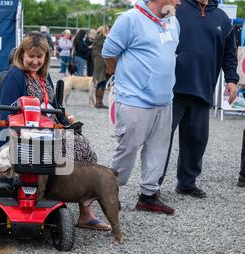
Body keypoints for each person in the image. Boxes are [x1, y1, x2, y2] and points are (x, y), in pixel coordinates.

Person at [0, 32, 111, 231]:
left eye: (39, 57)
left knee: (85, 151)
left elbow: (55, 105)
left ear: (45, 58)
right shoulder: (14, 76)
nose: (35, 61)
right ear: (21, 54)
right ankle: (46, 196)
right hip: (24, 133)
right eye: (30, 56)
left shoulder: (44, 76)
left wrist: (68, 120)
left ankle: (85, 213)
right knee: (62, 153)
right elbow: (5, 111)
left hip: (49, 130)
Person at [102, 0, 180, 214]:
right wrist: (125, 78)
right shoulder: (129, 19)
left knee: (158, 149)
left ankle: (148, 196)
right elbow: (108, 53)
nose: (180, 2)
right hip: (134, 99)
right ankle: (109, 193)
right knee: (127, 148)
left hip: (164, 100)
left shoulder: (172, 21)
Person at [159, 0, 239, 198]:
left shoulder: (222, 18)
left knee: (197, 140)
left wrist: (231, 80)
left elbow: (229, 53)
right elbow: (158, 35)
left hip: (203, 88)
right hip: (172, 88)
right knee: (161, 140)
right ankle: (152, 185)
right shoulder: (177, 8)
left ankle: (187, 183)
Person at [91, 25, 110, 109]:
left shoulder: (97, 38)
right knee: (102, 81)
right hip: (101, 61)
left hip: (97, 60)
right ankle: (99, 102)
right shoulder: (103, 39)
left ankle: (98, 102)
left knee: (99, 81)